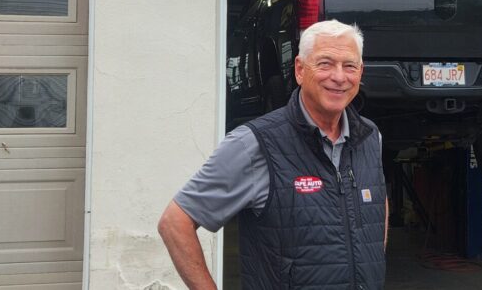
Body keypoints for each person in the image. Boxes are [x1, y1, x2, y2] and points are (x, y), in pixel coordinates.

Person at [158, 19, 387, 289]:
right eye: (325, 64)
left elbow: (376, 202)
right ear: (300, 70)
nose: (339, 77)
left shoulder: (370, 137)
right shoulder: (255, 143)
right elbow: (175, 223)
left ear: (360, 72)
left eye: (349, 66)